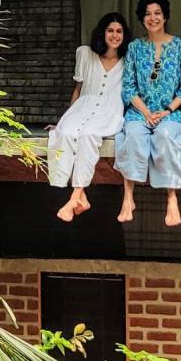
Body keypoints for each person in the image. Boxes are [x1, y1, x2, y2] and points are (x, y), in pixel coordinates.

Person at [114, 0, 181, 227]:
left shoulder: (179, 46)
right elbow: (128, 87)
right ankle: (128, 198)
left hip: (171, 113)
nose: (153, 18)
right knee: (134, 135)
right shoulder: (135, 48)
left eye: (157, 13)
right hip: (140, 112)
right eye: (147, 14)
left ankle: (172, 197)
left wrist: (167, 110)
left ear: (165, 16)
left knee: (165, 136)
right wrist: (146, 112)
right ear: (142, 19)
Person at [47, 12, 130, 221]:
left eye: (119, 31)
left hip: (110, 110)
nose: (114, 35)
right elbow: (78, 89)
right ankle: (79, 197)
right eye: (110, 30)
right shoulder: (86, 53)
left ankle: (75, 196)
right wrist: (64, 119)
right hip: (84, 105)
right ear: (102, 33)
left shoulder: (129, 60)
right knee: (64, 132)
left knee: (88, 135)